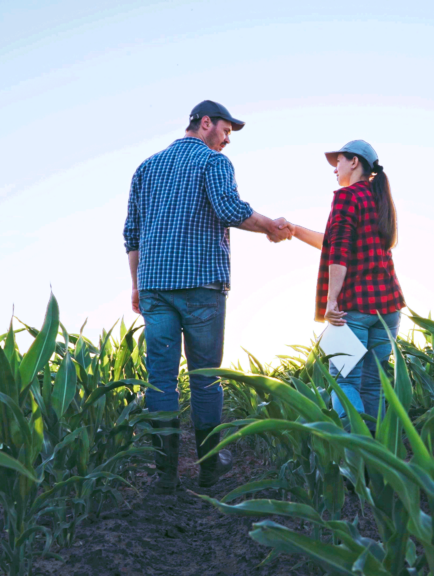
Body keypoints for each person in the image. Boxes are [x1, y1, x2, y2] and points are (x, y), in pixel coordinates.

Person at [123, 100, 294, 493]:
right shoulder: (213, 163)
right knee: (204, 379)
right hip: (201, 285)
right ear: (205, 123)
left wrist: (136, 283)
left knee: (161, 382)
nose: (227, 139)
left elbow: (132, 233)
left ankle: (165, 476)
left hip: (154, 285)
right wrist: (269, 226)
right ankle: (209, 470)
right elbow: (229, 208)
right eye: (225, 130)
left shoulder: (146, 168)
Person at [291, 140, 405, 432]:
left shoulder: (345, 197)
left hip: (353, 307)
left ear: (354, 162)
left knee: (343, 384)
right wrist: (293, 229)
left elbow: (339, 251)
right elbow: (331, 242)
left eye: (338, 161)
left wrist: (332, 301)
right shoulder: (379, 199)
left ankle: (357, 455)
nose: (335, 169)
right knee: (374, 387)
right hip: (388, 309)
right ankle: (377, 462)